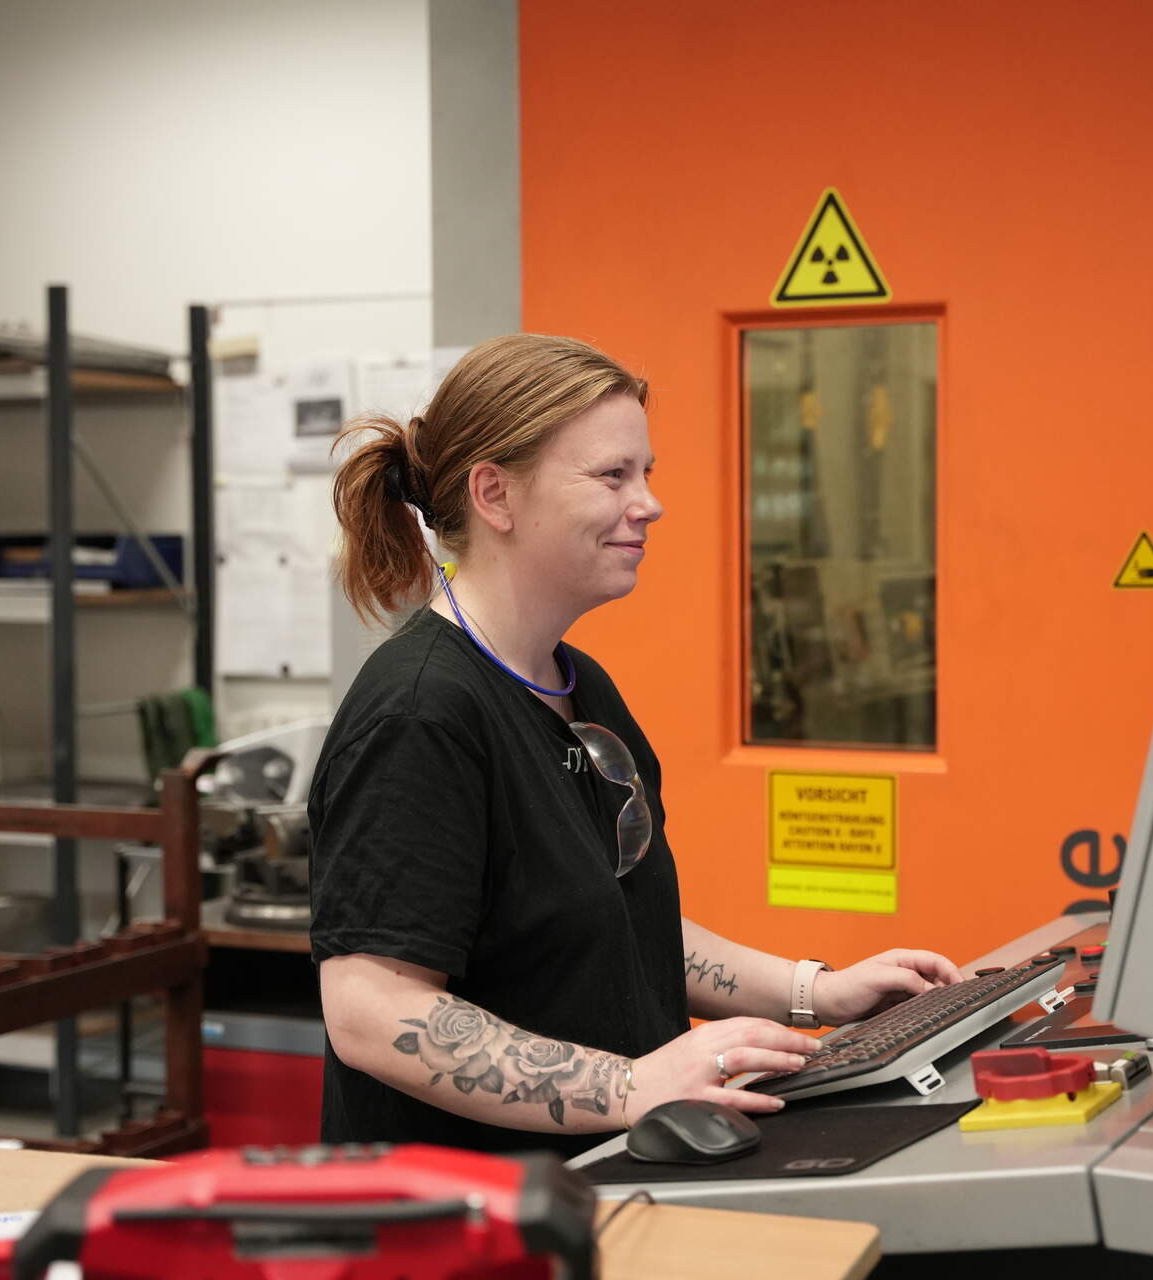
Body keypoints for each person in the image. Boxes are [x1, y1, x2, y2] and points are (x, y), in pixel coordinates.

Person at [312, 333, 962, 1155]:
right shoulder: (420, 715)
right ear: (495, 494)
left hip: (609, 1174)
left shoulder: (576, 684)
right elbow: (372, 1011)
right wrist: (627, 1086)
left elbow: (615, 922)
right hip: (477, 1208)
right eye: (612, 476)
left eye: (645, 473)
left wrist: (815, 994)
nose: (648, 503)